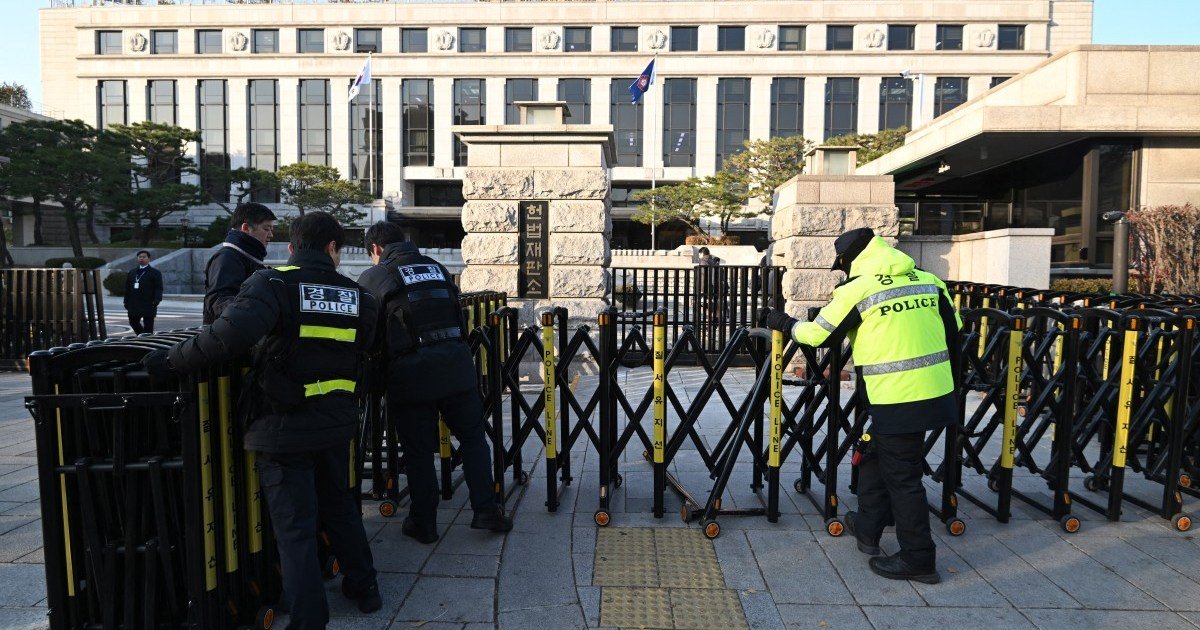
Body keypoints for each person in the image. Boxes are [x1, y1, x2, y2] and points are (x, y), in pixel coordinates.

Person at [143, 212, 382, 628]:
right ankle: (366, 590)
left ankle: (309, 618)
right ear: (333, 249)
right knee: (341, 509)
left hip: (282, 425)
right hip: (336, 423)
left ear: (290, 247)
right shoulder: (359, 296)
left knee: (294, 527)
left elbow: (225, 336)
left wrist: (166, 361)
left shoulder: (272, 283)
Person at [760, 228, 961, 585]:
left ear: (850, 260)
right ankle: (867, 526)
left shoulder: (859, 288)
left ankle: (919, 558)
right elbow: (954, 329)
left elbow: (820, 335)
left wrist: (785, 324)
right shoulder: (929, 280)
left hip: (897, 396)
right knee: (873, 454)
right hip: (937, 392)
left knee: (903, 477)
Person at [357, 221, 512, 544]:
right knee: (472, 439)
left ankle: (423, 522)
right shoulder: (437, 268)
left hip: (410, 373)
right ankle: (486, 509)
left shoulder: (377, 275)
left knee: (418, 450)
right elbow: (460, 317)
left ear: (376, 249)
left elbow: (367, 329)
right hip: (456, 366)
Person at [204, 202, 276, 324]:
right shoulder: (227, 257)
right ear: (246, 228)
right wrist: (259, 309)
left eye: (271, 229)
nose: (271, 235)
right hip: (227, 338)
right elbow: (218, 301)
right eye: (266, 229)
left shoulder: (249, 257)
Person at [123, 250, 163, 334]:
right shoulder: (132, 272)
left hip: (148, 302)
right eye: (140, 257)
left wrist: (157, 299)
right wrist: (126, 301)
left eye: (144, 257)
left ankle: (147, 341)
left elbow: (158, 287)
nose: (141, 259)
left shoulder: (155, 273)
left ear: (149, 259)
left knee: (148, 325)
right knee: (133, 322)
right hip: (134, 303)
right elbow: (127, 288)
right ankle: (142, 337)